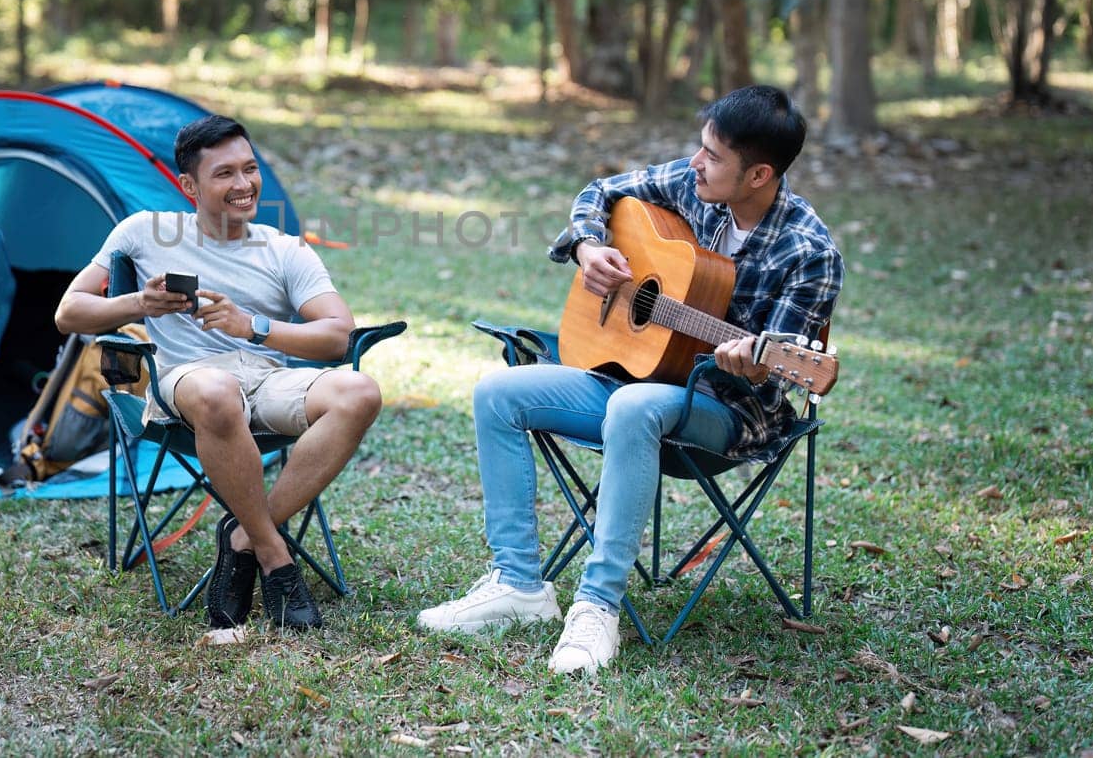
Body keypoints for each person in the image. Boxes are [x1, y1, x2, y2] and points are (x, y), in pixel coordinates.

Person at [416, 85, 843, 674]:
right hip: (636, 379)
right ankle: (518, 586)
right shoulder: (696, 185)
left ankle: (597, 606)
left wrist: (750, 357)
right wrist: (590, 246)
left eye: (713, 156)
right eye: (700, 148)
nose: (696, 162)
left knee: (635, 406)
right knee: (498, 394)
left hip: (727, 411)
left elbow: (780, 374)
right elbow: (601, 191)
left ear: (759, 174)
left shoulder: (809, 251)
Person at [56, 115, 382, 631]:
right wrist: (141, 302)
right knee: (216, 391)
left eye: (249, 169)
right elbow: (68, 312)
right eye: (224, 173)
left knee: (359, 391)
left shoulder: (283, 247)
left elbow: (337, 334)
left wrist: (252, 326)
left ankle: (243, 538)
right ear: (189, 185)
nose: (243, 184)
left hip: (266, 374)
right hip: (185, 378)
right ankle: (276, 560)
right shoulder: (143, 232)